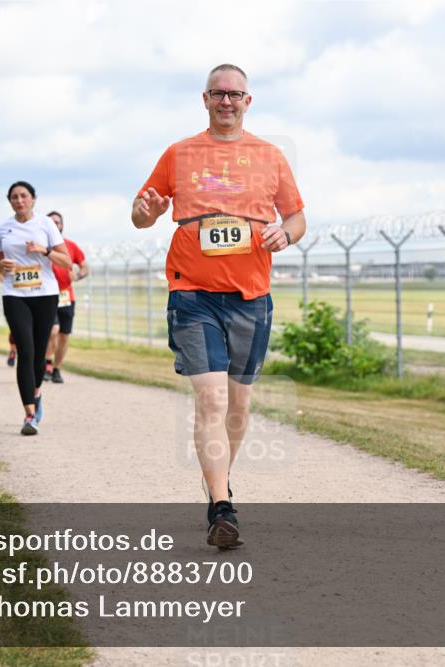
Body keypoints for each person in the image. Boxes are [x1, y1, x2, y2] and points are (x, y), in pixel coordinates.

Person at [132, 64, 306, 549]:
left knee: (239, 406)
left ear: (249, 101)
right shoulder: (179, 153)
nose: (226, 101)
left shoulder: (269, 156)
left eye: (235, 94)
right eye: (217, 93)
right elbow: (142, 212)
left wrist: (284, 233)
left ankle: (218, 481)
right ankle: (221, 505)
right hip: (191, 293)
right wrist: (144, 213)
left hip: (251, 295)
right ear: (204, 99)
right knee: (210, 398)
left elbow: (297, 218)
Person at [0, 181, 71, 436]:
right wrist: (1, 265)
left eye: (23, 196)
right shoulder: (3, 228)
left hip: (45, 294)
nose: (19, 200)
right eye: (14, 197)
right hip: (15, 294)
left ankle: (36, 393)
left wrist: (44, 250)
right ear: (10, 201)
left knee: (38, 353)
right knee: (25, 350)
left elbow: (67, 261)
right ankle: (29, 414)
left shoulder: (46, 225)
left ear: (33, 199)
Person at [43, 210, 88, 383]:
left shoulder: (70, 246)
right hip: (48, 295)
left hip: (67, 296)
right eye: (51, 222)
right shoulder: (41, 247)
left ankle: (56, 369)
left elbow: (85, 267)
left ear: (62, 225)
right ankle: (47, 363)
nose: (55, 225)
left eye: (58, 222)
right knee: (52, 330)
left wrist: (77, 276)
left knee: (63, 335)